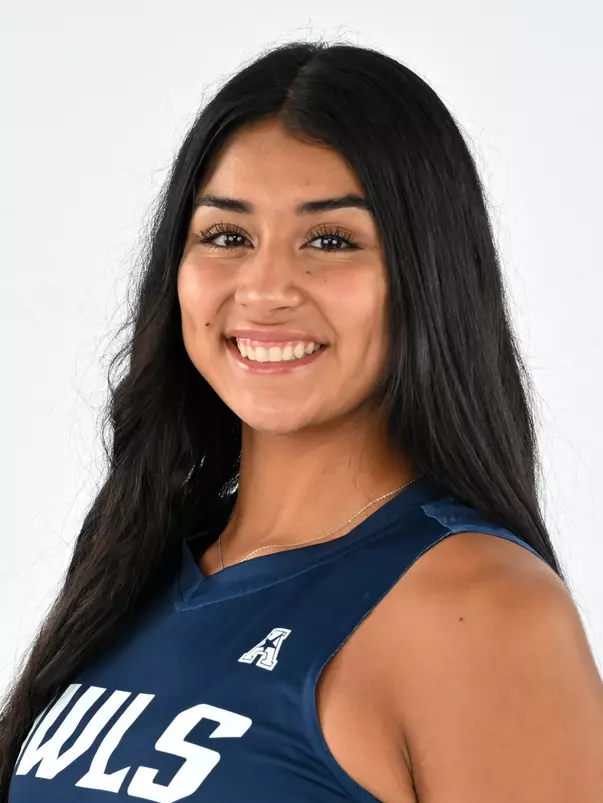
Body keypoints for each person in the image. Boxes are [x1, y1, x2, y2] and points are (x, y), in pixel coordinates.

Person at [2, 40, 602, 803]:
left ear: (426, 277)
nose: (265, 288)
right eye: (227, 236)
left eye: (330, 240)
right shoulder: (138, 568)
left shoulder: (481, 610)